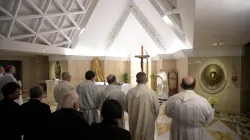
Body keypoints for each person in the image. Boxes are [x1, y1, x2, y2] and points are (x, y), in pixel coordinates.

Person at [126, 72, 159, 140]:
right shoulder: (151, 93)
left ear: (136, 81)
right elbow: (157, 109)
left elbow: (127, 108)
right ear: (146, 80)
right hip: (148, 121)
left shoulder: (130, 92)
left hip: (134, 120)